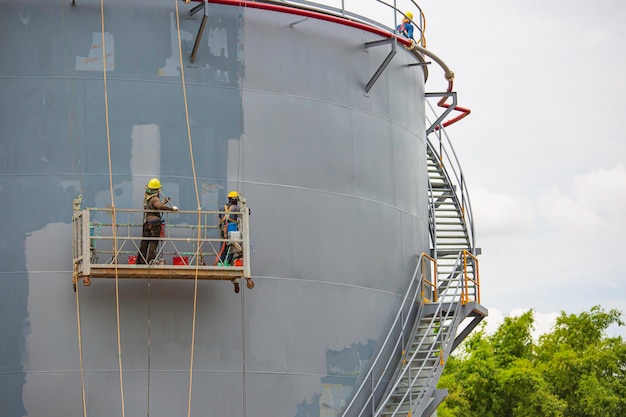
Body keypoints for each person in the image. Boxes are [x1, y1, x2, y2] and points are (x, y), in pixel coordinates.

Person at [137, 178, 178, 264]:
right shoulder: (155, 198)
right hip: (154, 224)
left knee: (144, 244)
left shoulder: (147, 197)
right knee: (153, 243)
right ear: (157, 189)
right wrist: (172, 209)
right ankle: (150, 262)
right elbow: (158, 206)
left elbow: (155, 206)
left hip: (147, 223)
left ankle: (140, 262)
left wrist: (163, 202)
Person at [217, 190, 242, 266]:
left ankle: (220, 263)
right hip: (232, 229)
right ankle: (227, 263)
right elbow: (243, 213)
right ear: (234, 199)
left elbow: (220, 216)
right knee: (231, 247)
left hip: (224, 230)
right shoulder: (236, 208)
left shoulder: (222, 207)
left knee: (223, 246)